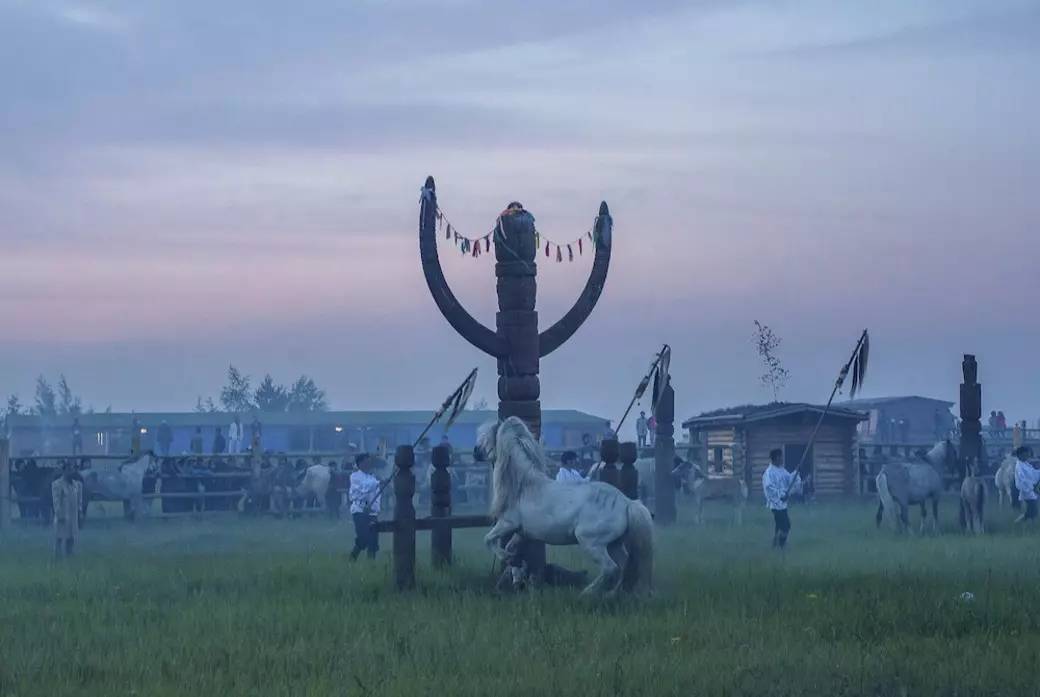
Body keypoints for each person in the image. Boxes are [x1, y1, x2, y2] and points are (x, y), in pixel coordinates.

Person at [762, 448, 800, 549]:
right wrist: (781, 495)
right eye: (780, 457)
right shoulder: (769, 472)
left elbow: (789, 479)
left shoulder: (781, 470)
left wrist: (795, 473)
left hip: (782, 503)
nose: (782, 459)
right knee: (786, 525)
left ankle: (775, 545)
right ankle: (781, 545)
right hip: (775, 504)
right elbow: (769, 488)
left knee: (779, 525)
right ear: (776, 458)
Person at [349, 453, 381, 560]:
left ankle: (371, 565)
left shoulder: (373, 477)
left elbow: (377, 496)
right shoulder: (355, 476)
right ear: (360, 464)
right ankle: (352, 558)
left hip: (371, 512)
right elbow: (365, 488)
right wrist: (377, 482)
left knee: (373, 539)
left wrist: (375, 509)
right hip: (359, 510)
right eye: (366, 461)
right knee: (363, 538)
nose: (369, 463)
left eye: (369, 461)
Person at [51, 460, 82, 559]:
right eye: (69, 470)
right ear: (64, 471)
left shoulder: (76, 485)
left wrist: (80, 511)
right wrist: (59, 513)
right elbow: (56, 500)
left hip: (73, 515)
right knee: (59, 537)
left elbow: (79, 500)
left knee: (72, 536)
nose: (72, 472)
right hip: (63, 514)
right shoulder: (57, 484)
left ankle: (70, 555)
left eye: (73, 469)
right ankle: (57, 557)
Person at [1014, 446, 1040, 524]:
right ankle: (1017, 522)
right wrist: (1032, 487)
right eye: (1026, 454)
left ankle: (1030, 524)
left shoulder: (1025, 464)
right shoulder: (1019, 466)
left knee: (1032, 510)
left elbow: (1033, 473)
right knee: (1033, 510)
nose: (1028, 456)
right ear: (1020, 455)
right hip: (1026, 490)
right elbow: (1023, 480)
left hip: (1030, 489)